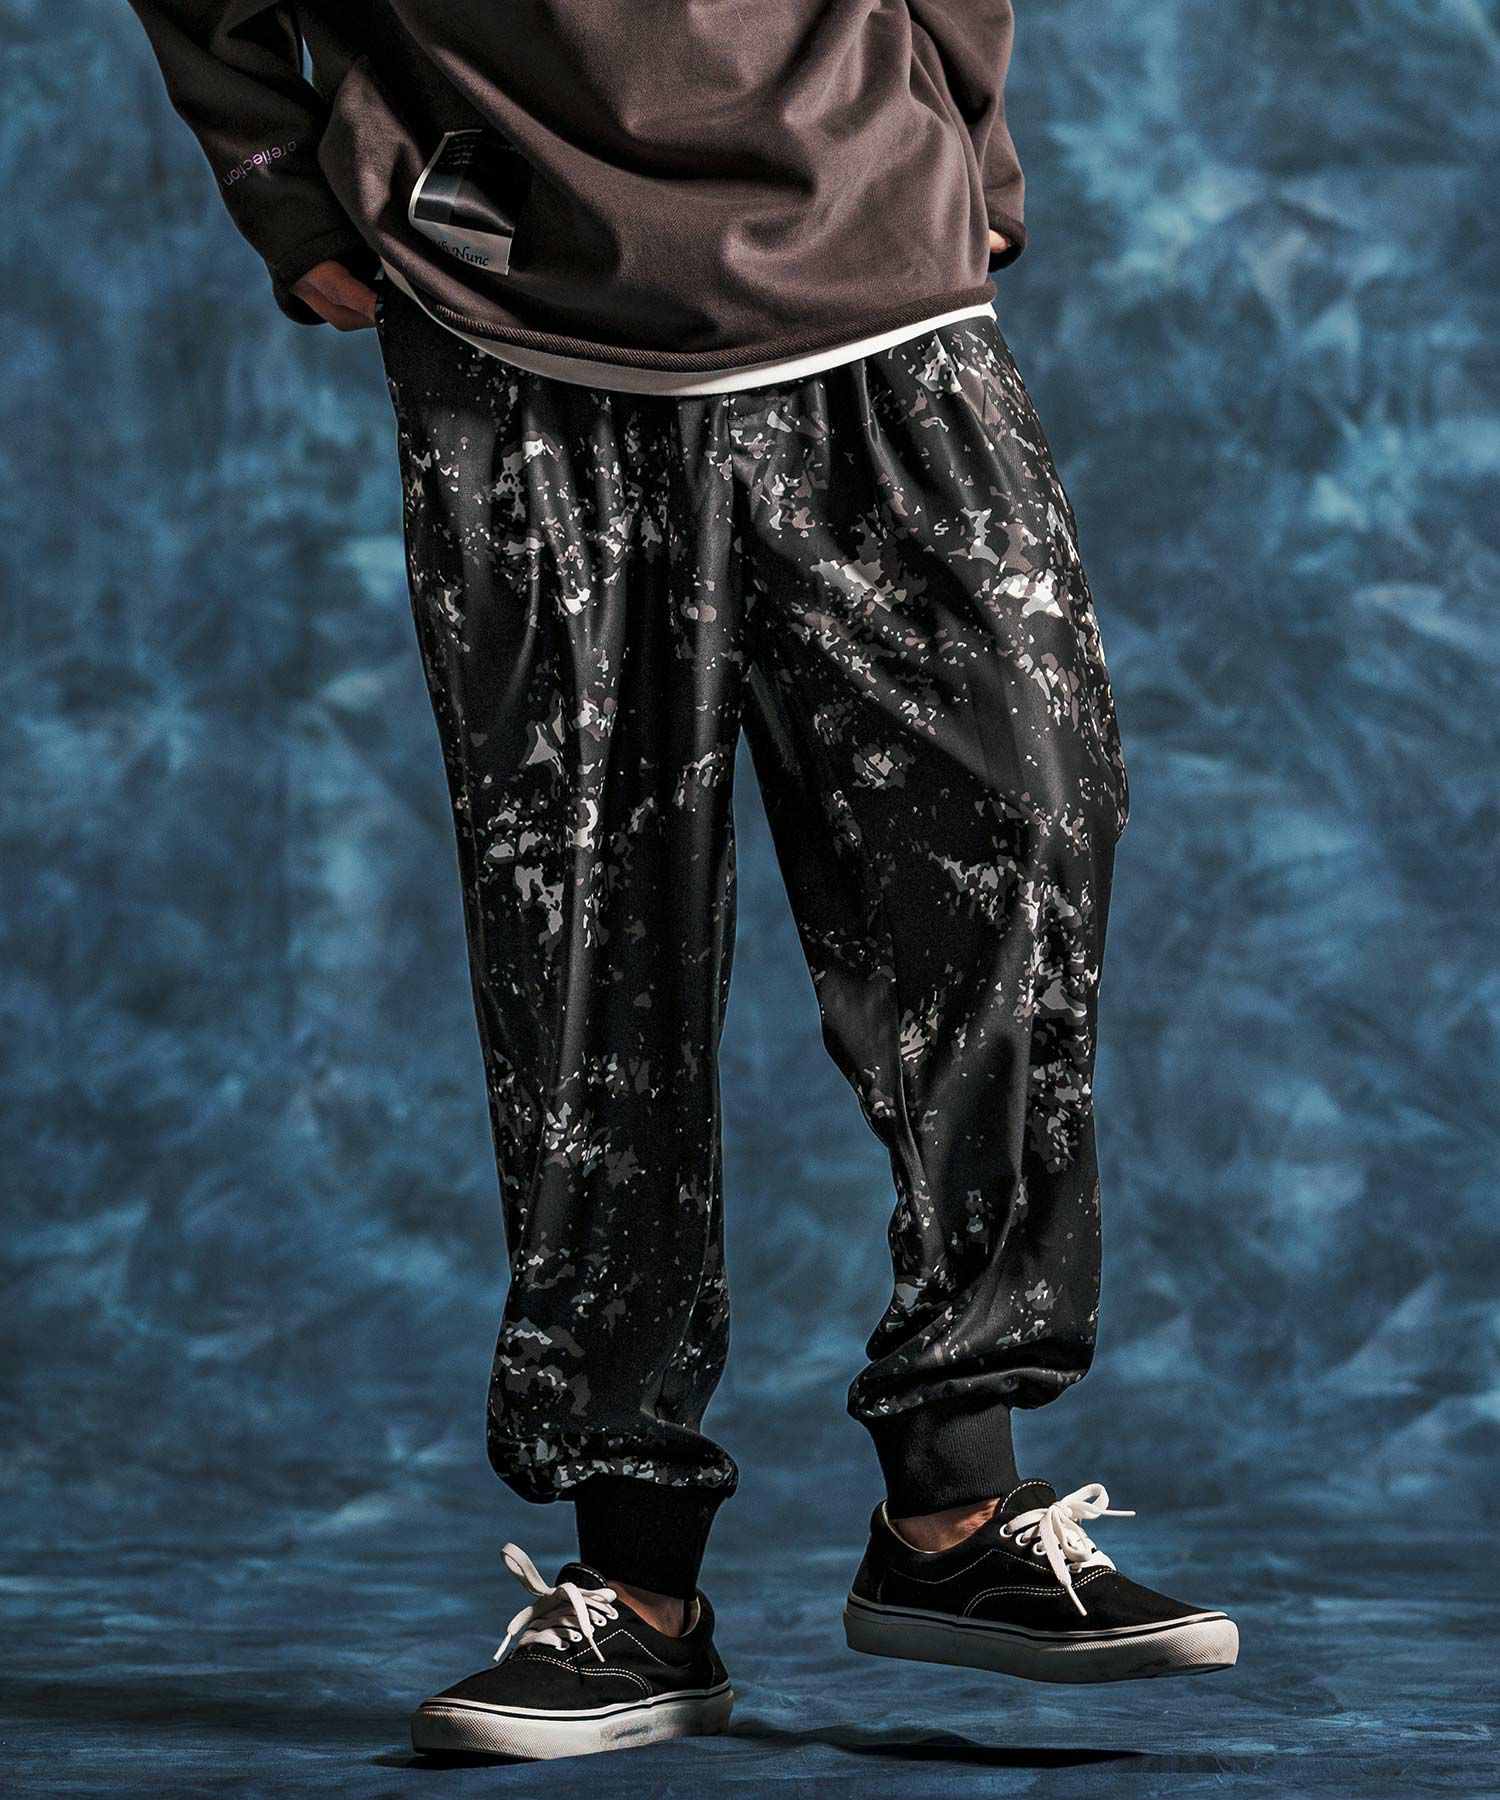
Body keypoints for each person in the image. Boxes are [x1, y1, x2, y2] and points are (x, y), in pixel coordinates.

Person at [128, 0, 1238, 1763]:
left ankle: (955, 1503)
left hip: (873, 280)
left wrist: (960, 154)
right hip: (518, 311)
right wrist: (281, 181)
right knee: (587, 948)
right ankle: (633, 1583)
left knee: (1025, 828)